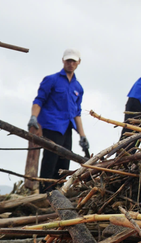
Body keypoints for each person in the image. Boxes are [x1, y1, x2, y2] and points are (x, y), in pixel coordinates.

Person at [28, 49, 88, 192]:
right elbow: (39, 100)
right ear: (63, 61)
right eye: (68, 60)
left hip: (67, 127)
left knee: (64, 161)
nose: (71, 64)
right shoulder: (51, 80)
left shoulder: (78, 87)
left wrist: (82, 136)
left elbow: (77, 113)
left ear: (79, 62)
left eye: (74, 61)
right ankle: (45, 192)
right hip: (52, 124)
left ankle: (58, 191)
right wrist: (33, 117)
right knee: (51, 159)